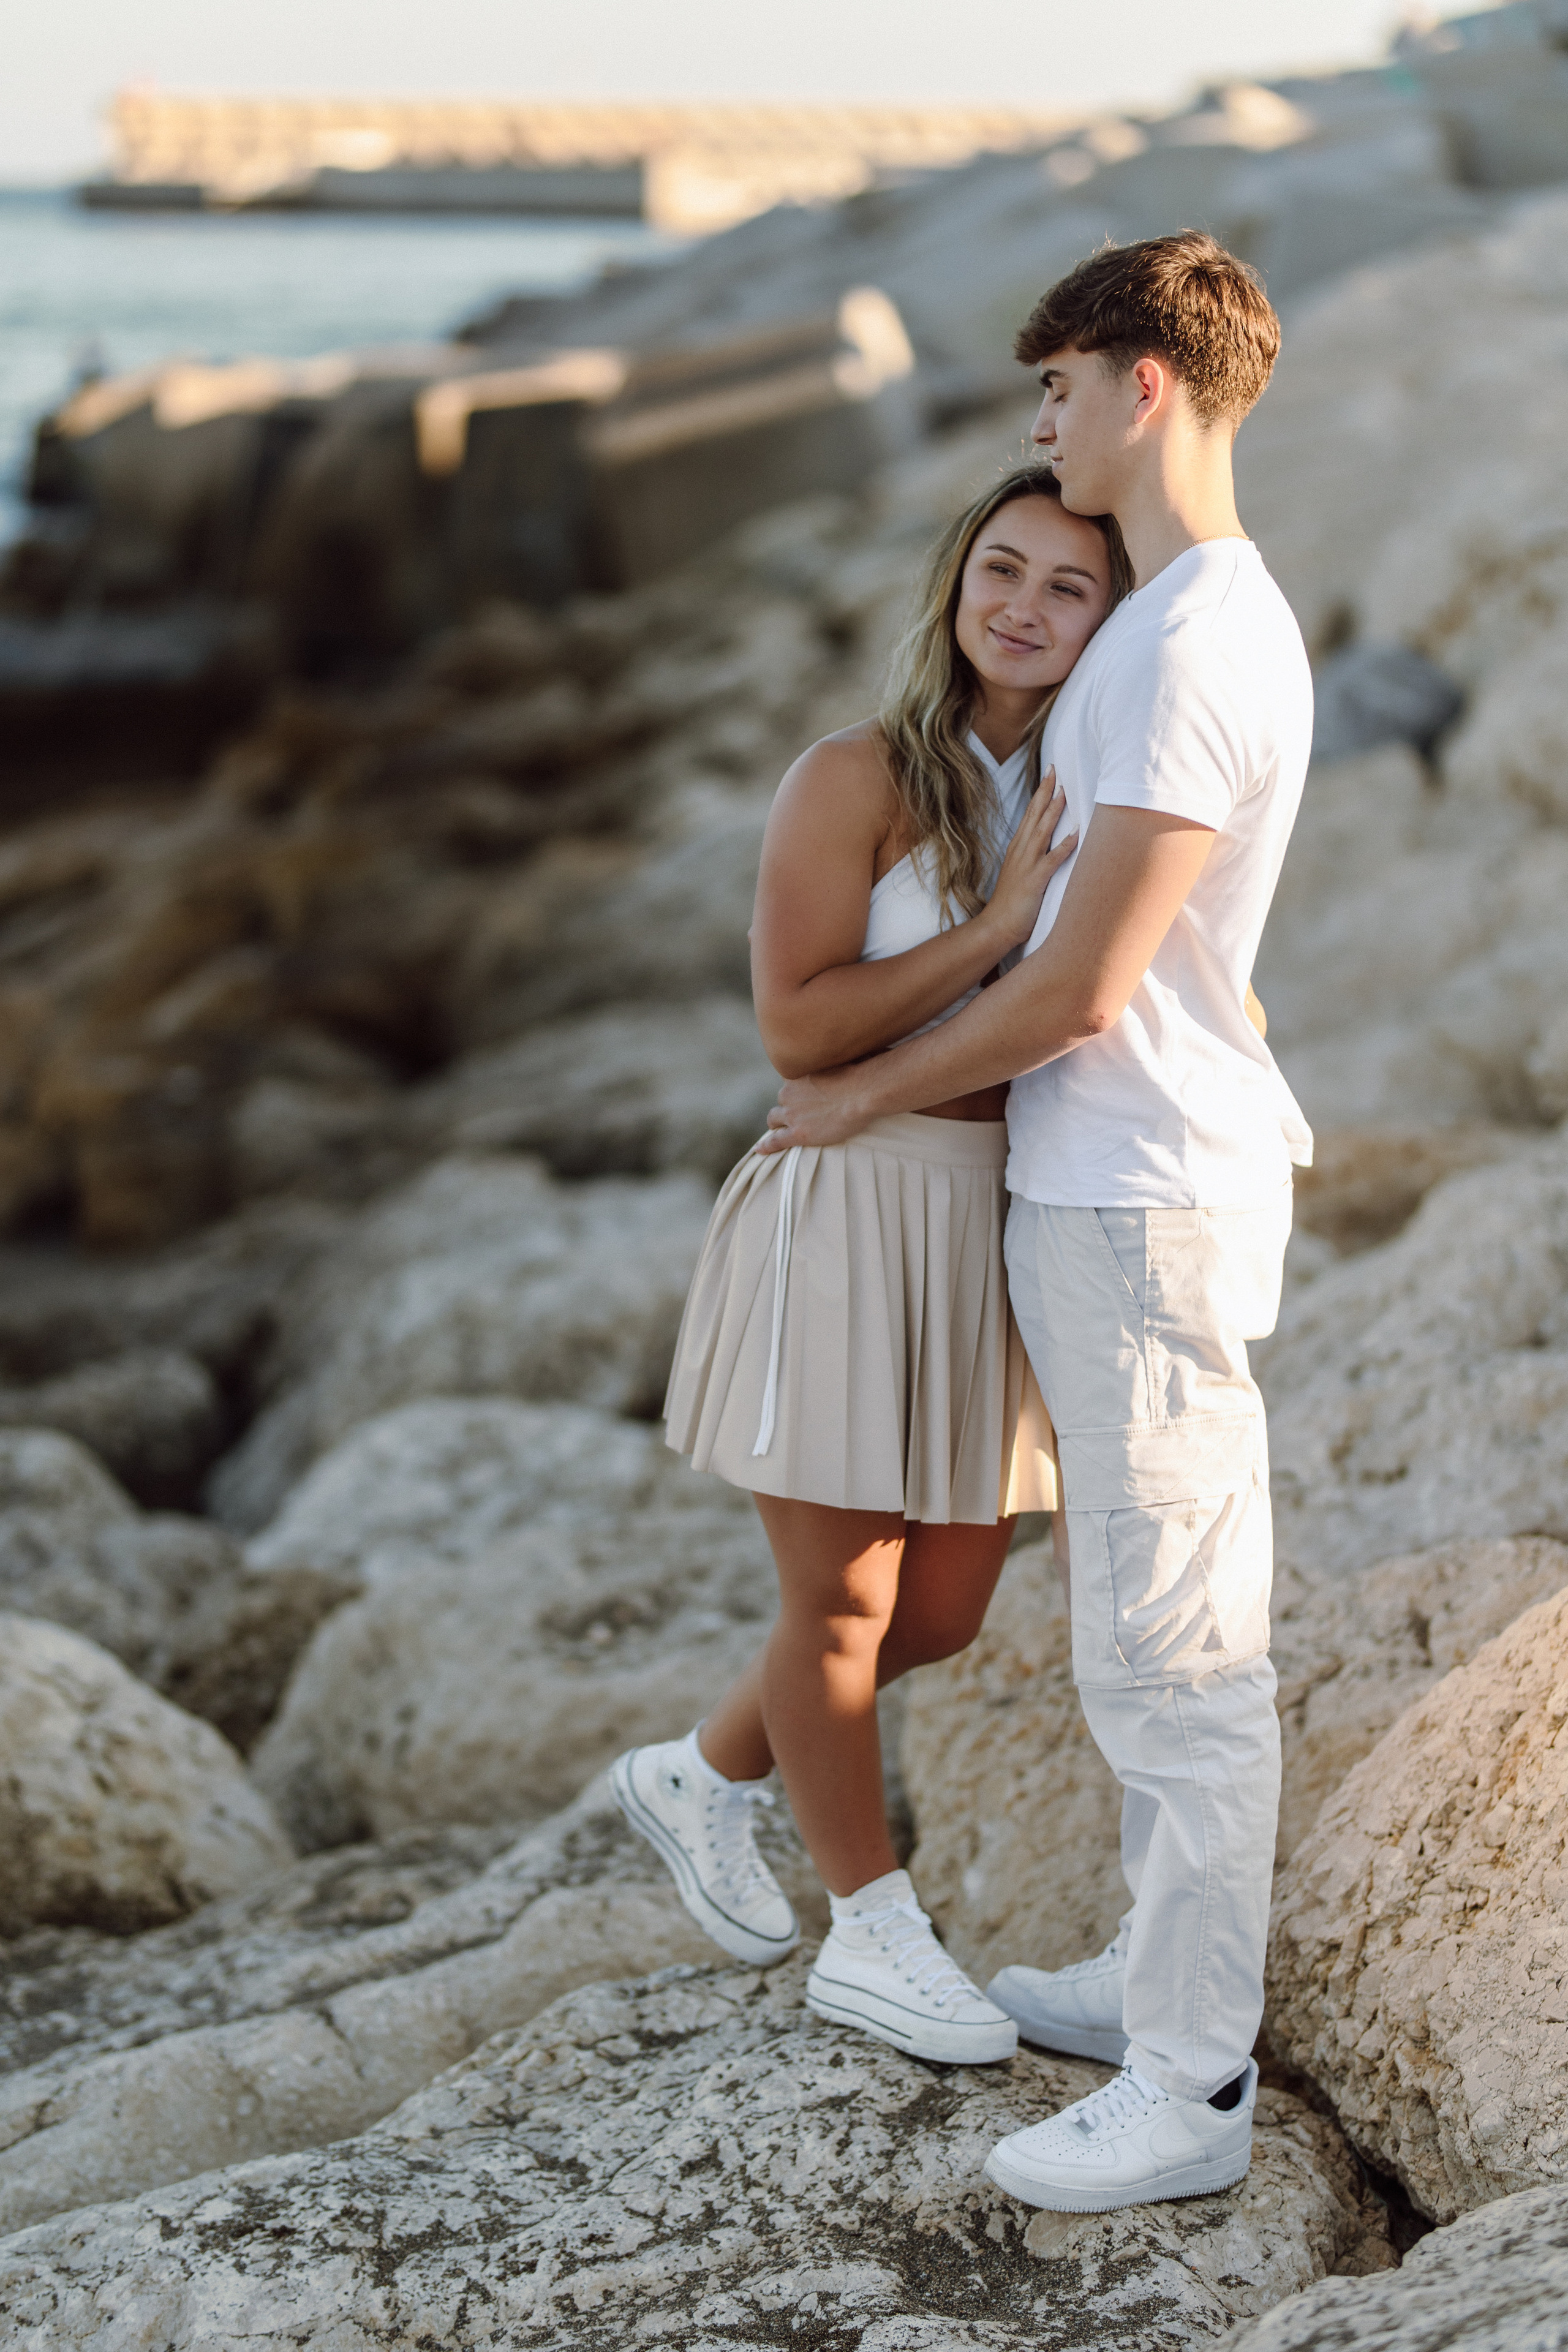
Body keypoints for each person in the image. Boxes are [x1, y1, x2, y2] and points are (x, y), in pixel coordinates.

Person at [755, 231, 1314, 2212]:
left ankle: (1190, 2087)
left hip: (1139, 1196)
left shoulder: (1180, 644)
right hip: (1113, 1181)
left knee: (1176, 1656)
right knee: (1141, 1632)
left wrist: (858, 1091)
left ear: (1143, 386)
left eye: (1060, 391)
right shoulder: (1186, 621)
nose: (1045, 424)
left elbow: (1080, 990)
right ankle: (1160, 1984)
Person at [611, 463, 1132, 2067]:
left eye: (1069, 587)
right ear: (957, 579)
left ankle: (703, 1772)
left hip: (995, 1217)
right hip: (849, 1197)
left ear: (1111, 624)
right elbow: (798, 1027)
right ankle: (873, 1933)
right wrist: (998, 927)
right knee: (838, 1603)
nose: (1025, 608)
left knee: (944, 1609)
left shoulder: (1097, 786)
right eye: (1004, 569)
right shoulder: (855, 775)